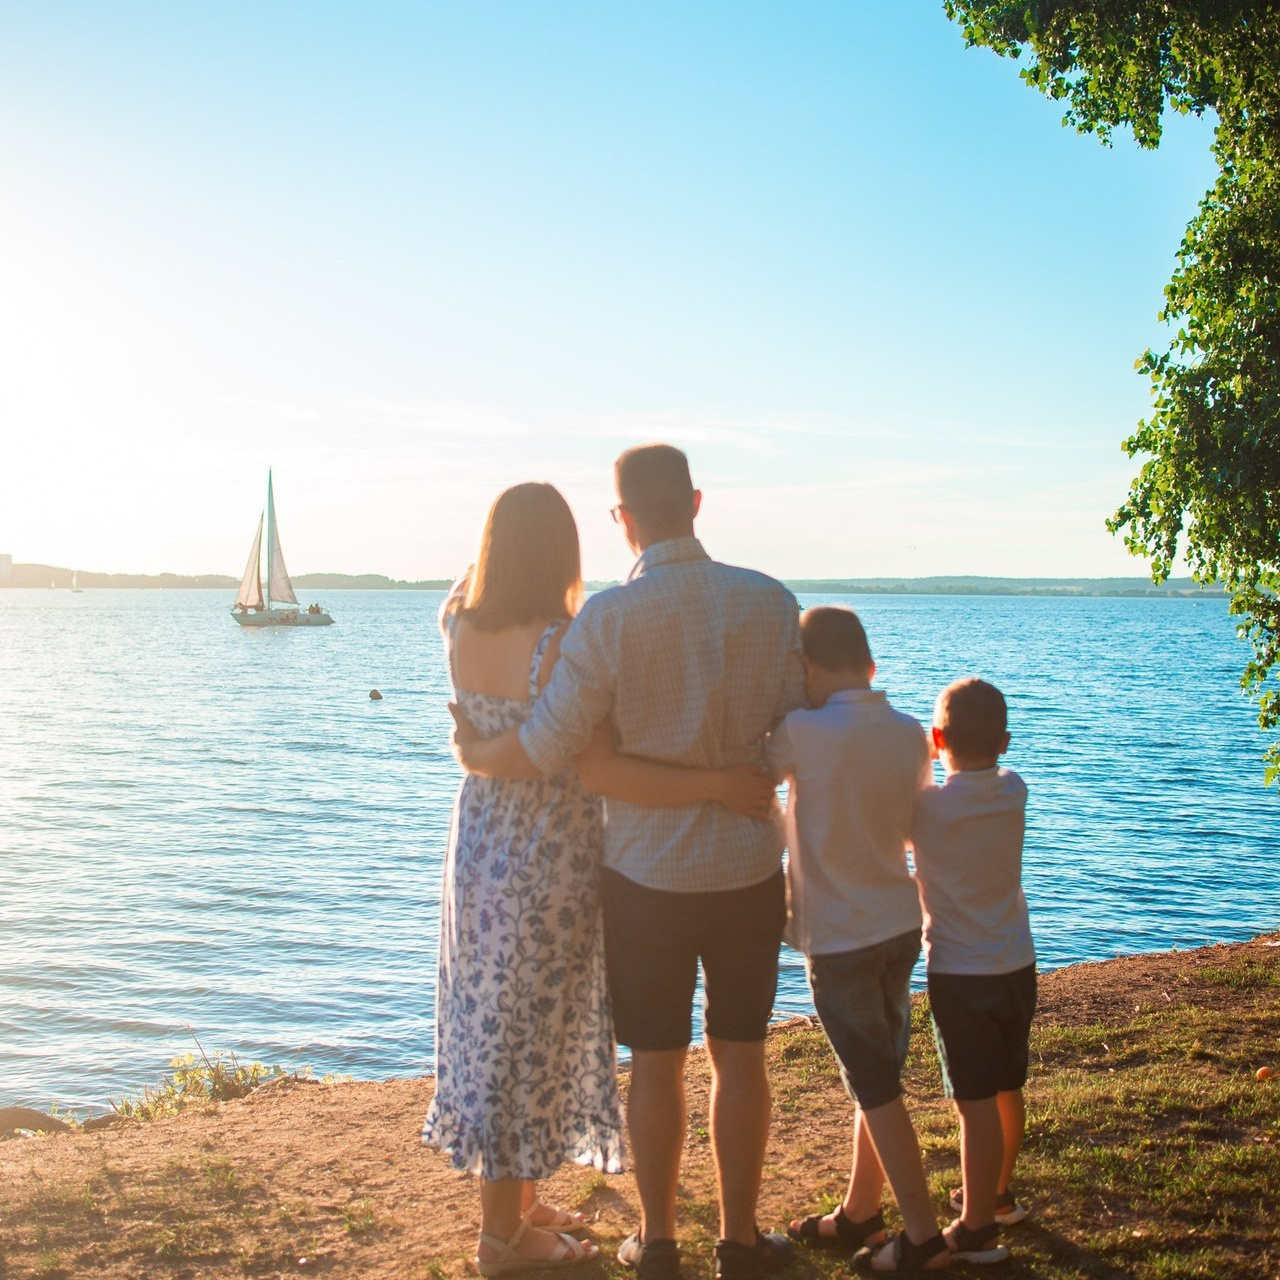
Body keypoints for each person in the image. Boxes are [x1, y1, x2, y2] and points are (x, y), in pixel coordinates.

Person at [453, 445, 805, 1280]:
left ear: (624, 518)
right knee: (741, 1054)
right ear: (696, 501)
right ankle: (740, 1239)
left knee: (655, 1061)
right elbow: (793, 732)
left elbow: (558, 751)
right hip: (748, 869)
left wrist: (474, 752)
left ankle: (658, 1240)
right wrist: (736, 778)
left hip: (646, 877)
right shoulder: (772, 601)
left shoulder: (608, 620)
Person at [764, 606, 947, 1274]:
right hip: (900, 924)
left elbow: (754, 773)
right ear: (870, 665)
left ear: (807, 668)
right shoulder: (909, 734)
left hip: (841, 937)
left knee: (874, 1084)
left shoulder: (800, 731)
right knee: (881, 1075)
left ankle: (923, 1236)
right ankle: (860, 1211)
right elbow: (915, 824)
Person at [912, 677, 1036, 1266]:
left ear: (939, 740)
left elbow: (906, 800)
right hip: (1016, 963)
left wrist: (921, 749)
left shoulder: (927, 808)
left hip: (961, 972)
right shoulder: (1014, 789)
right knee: (1007, 1085)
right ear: (1005, 741)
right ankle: (999, 1195)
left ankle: (977, 1226)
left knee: (974, 1101)